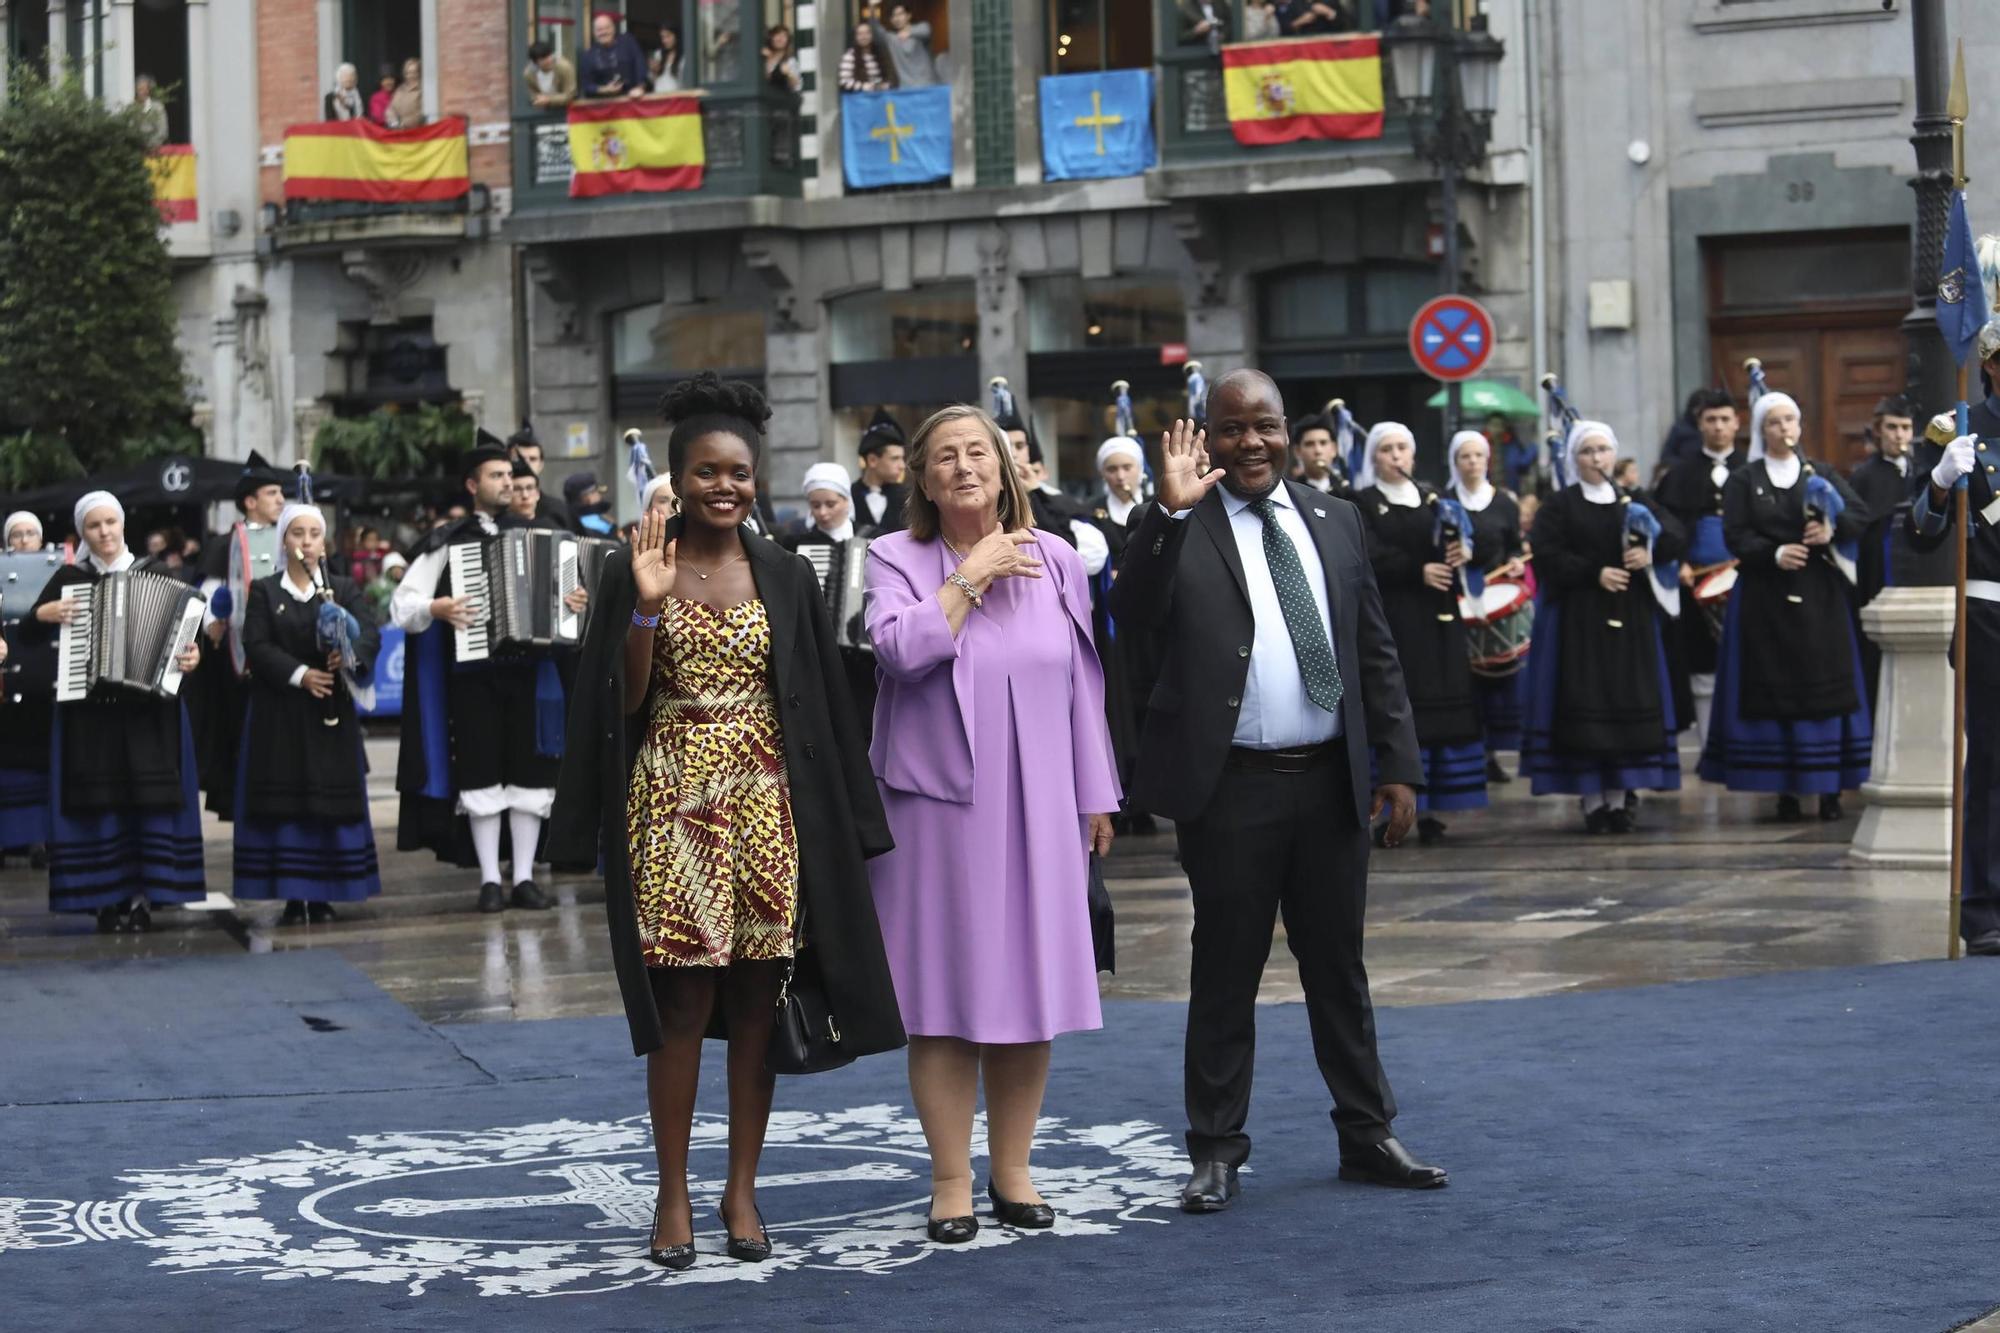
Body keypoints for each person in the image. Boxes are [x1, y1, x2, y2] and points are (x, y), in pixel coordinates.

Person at [549, 373, 903, 1269]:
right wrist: (644, 605)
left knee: (756, 999)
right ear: (675, 477)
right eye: (707, 471)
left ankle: (740, 1188)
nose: (725, 486)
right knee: (683, 1001)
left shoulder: (783, 570)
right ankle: (672, 1195)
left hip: (767, 803)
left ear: (756, 478)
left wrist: (852, 826)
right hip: (672, 798)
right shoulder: (629, 563)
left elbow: (824, 701)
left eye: (739, 472)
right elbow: (623, 702)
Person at [1110, 372, 1444, 1213]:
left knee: (1340, 970)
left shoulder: (1337, 519)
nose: (1249, 444)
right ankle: (1217, 1150)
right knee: (1225, 972)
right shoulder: (1184, 525)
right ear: (1206, 438)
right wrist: (1169, 511)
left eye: (1263, 427)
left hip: (1332, 784)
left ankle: (1368, 1134)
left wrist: (1398, 764)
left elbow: (1374, 648)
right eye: (1230, 430)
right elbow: (1133, 609)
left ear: (1287, 432)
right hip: (1231, 792)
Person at [864, 404, 1120, 1244]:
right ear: (922, 479)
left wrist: (1097, 794)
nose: (964, 465)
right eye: (945, 456)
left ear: (1007, 468)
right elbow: (901, 652)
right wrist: (969, 575)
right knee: (944, 996)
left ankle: (1013, 1170)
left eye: (980, 451)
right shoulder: (894, 558)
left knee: (1028, 991)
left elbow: (1085, 681)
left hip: (1042, 801)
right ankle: (949, 1180)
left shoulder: (1057, 558)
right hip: (937, 809)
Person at [391, 444, 580, 912]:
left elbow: (570, 608)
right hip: (474, 675)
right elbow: (403, 604)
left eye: (509, 476)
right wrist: (436, 607)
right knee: (479, 773)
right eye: (496, 476)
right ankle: (490, 880)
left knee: (531, 775)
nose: (507, 483)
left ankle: (524, 878)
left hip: (532, 672)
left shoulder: (545, 534)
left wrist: (574, 606)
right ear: (473, 485)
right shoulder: (451, 540)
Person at [27, 492, 204, 932]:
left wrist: (192, 658)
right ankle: (105, 900)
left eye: (110, 523)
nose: (104, 532)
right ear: (83, 533)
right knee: (99, 805)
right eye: (94, 526)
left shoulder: (157, 572)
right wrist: (42, 614)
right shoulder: (71, 577)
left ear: (123, 524)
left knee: (145, 803)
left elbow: (185, 643)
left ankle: (144, 899)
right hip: (91, 713)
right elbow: (27, 635)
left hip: (149, 713)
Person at [1698, 390, 1871, 821]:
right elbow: (1735, 534)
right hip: (1765, 598)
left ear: (1800, 426)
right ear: (1762, 430)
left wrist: (1831, 529)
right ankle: (1786, 790)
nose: (1784, 429)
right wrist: (1774, 553)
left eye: (1790, 420)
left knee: (1825, 685)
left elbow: (1860, 516)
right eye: (1774, 422)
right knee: (1773, 687)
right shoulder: (1745, 479)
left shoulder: (1822, 473)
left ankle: (1830, 788)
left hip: (1819, 596)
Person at [1519, 421, 1687, 832]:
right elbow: (1547, 554)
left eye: (1603, 450)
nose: (1597, 459)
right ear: (1575, 459)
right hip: (1580, 622)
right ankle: (1593, 800)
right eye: (1588, 452)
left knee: (1626, 703)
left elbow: (1676, 536)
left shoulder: (1633, 499)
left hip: (1630, 621)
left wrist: (1649, 550)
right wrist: (1595, 573)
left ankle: (1619, 799)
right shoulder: (1561, 505)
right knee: (1587, 705)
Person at [232, 503, 382, 925]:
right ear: (284, 540)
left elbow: (369, 633)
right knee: (287, 805)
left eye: (314, 534)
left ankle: (325, 894)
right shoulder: (265, 590)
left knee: (328, 802)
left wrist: (347, 652)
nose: (307, 542)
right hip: (280, 715)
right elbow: (256, 645)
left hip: (330, 715)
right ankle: (292, 897)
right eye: (297, 533)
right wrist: (301, 675)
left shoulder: (341, 588)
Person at [1353, 421, 1488, 840]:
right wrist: (1417, 570)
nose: (1395, 457)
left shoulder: (1434, 499)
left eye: (1402, 449)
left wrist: (1464, 548)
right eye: (1387, 449)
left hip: (1439, 619)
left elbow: (1475, 539)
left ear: (1413, 455)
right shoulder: (1362, 501)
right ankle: (1390, 807)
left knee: (1441, 707)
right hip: (1395, 619)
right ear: (1374, 457)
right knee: (1399, 706)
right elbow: (1366, 553)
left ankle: (1434, 807)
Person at [1910, 382, 2000, 955]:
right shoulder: (1955, 429)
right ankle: (1985, 908)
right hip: (1992, 617)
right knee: (1992, 770)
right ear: (1993, 365)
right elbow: (1919, 535)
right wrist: (1941, 485)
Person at [190, 452, 291, 823]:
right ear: (250, 501)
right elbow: (204, 598)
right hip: (241, 667)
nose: (281, 500)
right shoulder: (225, 544)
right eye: (272, 493)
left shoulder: (291, 538)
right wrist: (211, 622)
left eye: (281, 493)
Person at [1653, 388, 1743, 743]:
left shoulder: (1752, 470)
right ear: (1699, 424)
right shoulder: (1678, 476)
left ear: (1737, 423)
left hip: (1745, 578)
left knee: (1745, 659)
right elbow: (1666, 526)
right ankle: (1709, 744)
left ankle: (1740, 741)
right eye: (1711, 420)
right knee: (1702, 662)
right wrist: (1678, 562)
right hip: (1695, 582)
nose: (1718, 427)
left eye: (1724, 420)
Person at [1448, 429, 1529, 780]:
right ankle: (1474, 750)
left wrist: (1515, 561)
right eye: (1465, 456)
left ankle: (1493, 752)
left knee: (1498, 678)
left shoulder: (1504, 503)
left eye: (1478, 455)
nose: (1472, 462)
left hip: (1496, 591)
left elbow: (1514, 545)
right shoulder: (1446, 502)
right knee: (1466, 681)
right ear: (1456, 462)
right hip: (1459, 596)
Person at [1848, 395, 1917, 708]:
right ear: (1878, 431)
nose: (1899, 435)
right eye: (1892, 427)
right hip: (1877, 574)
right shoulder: (1863, 476)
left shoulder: (1921, 471)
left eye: (1905, 427)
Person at [1, 511, 55, 869]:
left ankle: (40, 838)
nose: (23, 540)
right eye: (16, 535)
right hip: (5, 691)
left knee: (42, 764)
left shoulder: (57, 574)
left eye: (29, 534)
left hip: (44, 689)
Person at [855, 410, 911, 532]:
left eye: (902, 458)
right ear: (872, 460)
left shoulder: (908, 496)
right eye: (895, 458)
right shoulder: (848, 496)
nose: (902, 466)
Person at [868, 3, 941, 89]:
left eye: (900, 14)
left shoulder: (920, 30)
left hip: (927, 86)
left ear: (908, 16)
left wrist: (910, 33)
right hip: (906, 88)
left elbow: (927, 30)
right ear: (891, 20)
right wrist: (872, 8)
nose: (897, 18)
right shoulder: (892, 39)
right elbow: (876, 29)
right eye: (893, 16)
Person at [581, 12, 649, 99]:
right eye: (599, 30)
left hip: (632, 99)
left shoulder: (628, 42)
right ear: (594, 33)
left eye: (607, 28)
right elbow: (586, 86)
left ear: (613, 28)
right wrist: (605, 89)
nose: (604, 32)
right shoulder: (588, 56)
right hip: (605, 105)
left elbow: (640, 64)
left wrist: (640, 87)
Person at [1292, 412, 1348, 497]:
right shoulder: (1291, 493)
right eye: (1309, 444)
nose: (1318, 451)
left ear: (1334, 449)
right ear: (1297, 451)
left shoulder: (1347, 493)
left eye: (1323, 443)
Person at [523, 40, 578, 110]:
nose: (549, 60)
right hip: (543, 111)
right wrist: (536, 99)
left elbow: (570, 95)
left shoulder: (564, 67)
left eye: (549, 55)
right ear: (535, 62)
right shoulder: (529, 73)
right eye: (544, 58)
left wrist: (549, 100)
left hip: (566, 110)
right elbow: (533, 94)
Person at [838, 20, 893, 91]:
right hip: (859, 99)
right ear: (855, 37)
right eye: (860, 34)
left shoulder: (878, 54)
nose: (864, 37)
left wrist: (885, 85)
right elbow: (844, 82)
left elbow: (889, 76)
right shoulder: (850, 56)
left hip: (879, 98)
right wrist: (863, 86)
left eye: (867, 33)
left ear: (872, 35)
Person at [763, 25, 803, 94]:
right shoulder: (764, 57)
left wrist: (788, 74)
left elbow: (797, 86)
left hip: (781, 97)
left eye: (784, 36)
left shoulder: (790, 61)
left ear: (787, 41)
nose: (780, 38)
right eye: (777, 35)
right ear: (771, 38)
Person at [133, 75, 169, 148]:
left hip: (154, 151)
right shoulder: (132, 108)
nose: (144, 92)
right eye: (140, 89)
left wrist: (150, 145)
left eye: (146, 89)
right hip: (135, 151)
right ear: (136, 91)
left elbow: (162, 132)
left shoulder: (158, 107)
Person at [387, 57, 424, 129]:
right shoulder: (400, 89)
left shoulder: (422, 90)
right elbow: (391, 108)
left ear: (419, 73)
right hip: (398, 132)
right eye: (408, 73)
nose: (411, 76)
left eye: (414, 72)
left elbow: (421, 113)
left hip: (416, 132)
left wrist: (404, 123)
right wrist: (393, 121)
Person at [1279, 0, 1345, 34]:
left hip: (1328, 44)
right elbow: (1284, 30)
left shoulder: (1330, 1)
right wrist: (1300, 21)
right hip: (1305, 45)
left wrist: (1329, 12)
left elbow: (1345, 26)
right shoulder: (1295, 4)